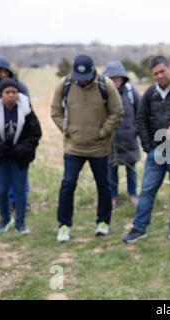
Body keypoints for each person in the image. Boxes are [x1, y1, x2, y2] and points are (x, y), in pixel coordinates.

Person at [122, 55, 170, 243]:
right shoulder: (149, 93)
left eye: (162, 71)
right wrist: (148, 147)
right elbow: (141, 120)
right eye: (155, 73)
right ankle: (139, 228)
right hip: (156, 152)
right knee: (146, 190)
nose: (159, 76)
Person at [51, 54, 123, 242]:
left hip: (99, 147)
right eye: (79, 78)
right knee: (67, 185)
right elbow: (55, 110)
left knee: (103, 185)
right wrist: (65, 129)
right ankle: (64, 225)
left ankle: (103, 222)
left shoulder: (105, 85)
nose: (82, 81)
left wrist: (103, 132)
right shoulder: (65, 85)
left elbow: (117, 112)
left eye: (86, 77)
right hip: (73, 147)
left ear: (93, 72)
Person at [0, 78, 41, 234]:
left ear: (18, 94)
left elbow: (35, 134)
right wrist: (0, 147)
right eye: (7, 92)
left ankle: (20, 223)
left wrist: (20, 149)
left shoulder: (26, 110)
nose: (10, 95)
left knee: (19, 190)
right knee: (1, 190)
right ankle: (5, 219)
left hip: (19, 156)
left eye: (14, 92)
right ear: (1, 94)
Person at [0, 55, 32, 213]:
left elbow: (26, 106)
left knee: (20, 168)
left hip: (18, 132)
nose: (2, 74)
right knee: (3, 170)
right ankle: (8, 202)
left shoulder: (20, 86)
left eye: (5, 71)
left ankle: (22, 201)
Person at [103, 61, 141, 208]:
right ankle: (113, 196)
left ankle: (133, 194)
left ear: (123, 78)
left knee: (131, 170)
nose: (115, 81)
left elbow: (141, 113)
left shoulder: (131, 92)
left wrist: (135, 131)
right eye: (112, 78)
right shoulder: (102, 94)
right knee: (111, 171)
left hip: (129, 140)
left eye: (118, 78)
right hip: (110, 142)